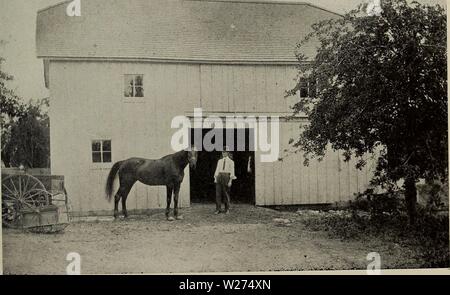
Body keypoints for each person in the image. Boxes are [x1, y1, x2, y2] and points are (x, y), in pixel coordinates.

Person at [214, 147, 236, 214]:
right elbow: (217, 170)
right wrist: (215, 178)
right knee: (218, 194)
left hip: (226, 177)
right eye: (223, 152)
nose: (223, 153)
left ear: (228, 153)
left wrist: (230, 181)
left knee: (226, 193)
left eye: (225, 152)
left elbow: (232, 172)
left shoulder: (231, 162)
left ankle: (227, 209)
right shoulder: (219, 161)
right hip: (219, 176)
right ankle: (218, 209)